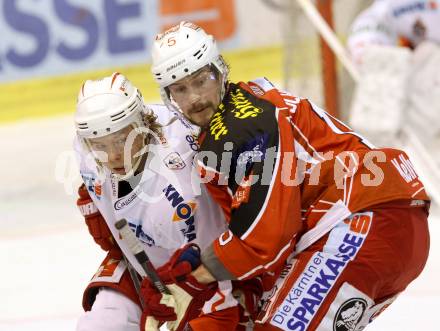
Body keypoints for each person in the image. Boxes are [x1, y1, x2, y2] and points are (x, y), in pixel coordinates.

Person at [140, 21, 431, 330]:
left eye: (201, 81)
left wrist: (195, 280)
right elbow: (273, 231)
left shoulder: (239, 128)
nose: (195, 98)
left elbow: (265, 238)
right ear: (167, 95)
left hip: (363, 220)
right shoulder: (248, 104)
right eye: (180, 89)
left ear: (220, 70)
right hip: (387, 223)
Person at [73, 72, 255, 331]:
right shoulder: (84, 150)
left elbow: (209, 265)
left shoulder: (179, 182)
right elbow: (93, 180)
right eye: (99, 145)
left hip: (202, 274)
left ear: (141, 124)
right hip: (141, 266)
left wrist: (177, 291)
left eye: (123, 140)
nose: (114, 156)